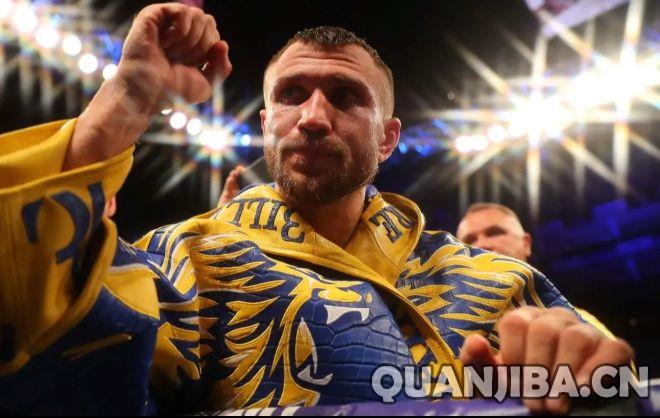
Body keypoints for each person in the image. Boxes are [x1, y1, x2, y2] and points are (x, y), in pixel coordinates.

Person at [0, 3, 633, 415]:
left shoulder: (498, 277)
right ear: (266, 122)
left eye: (345, 96)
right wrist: (128, 96)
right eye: (292, 94)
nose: (312, 117)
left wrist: (574, 366)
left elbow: (617, 384)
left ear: (387, 138)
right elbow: (38, 328)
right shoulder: (184, 256)